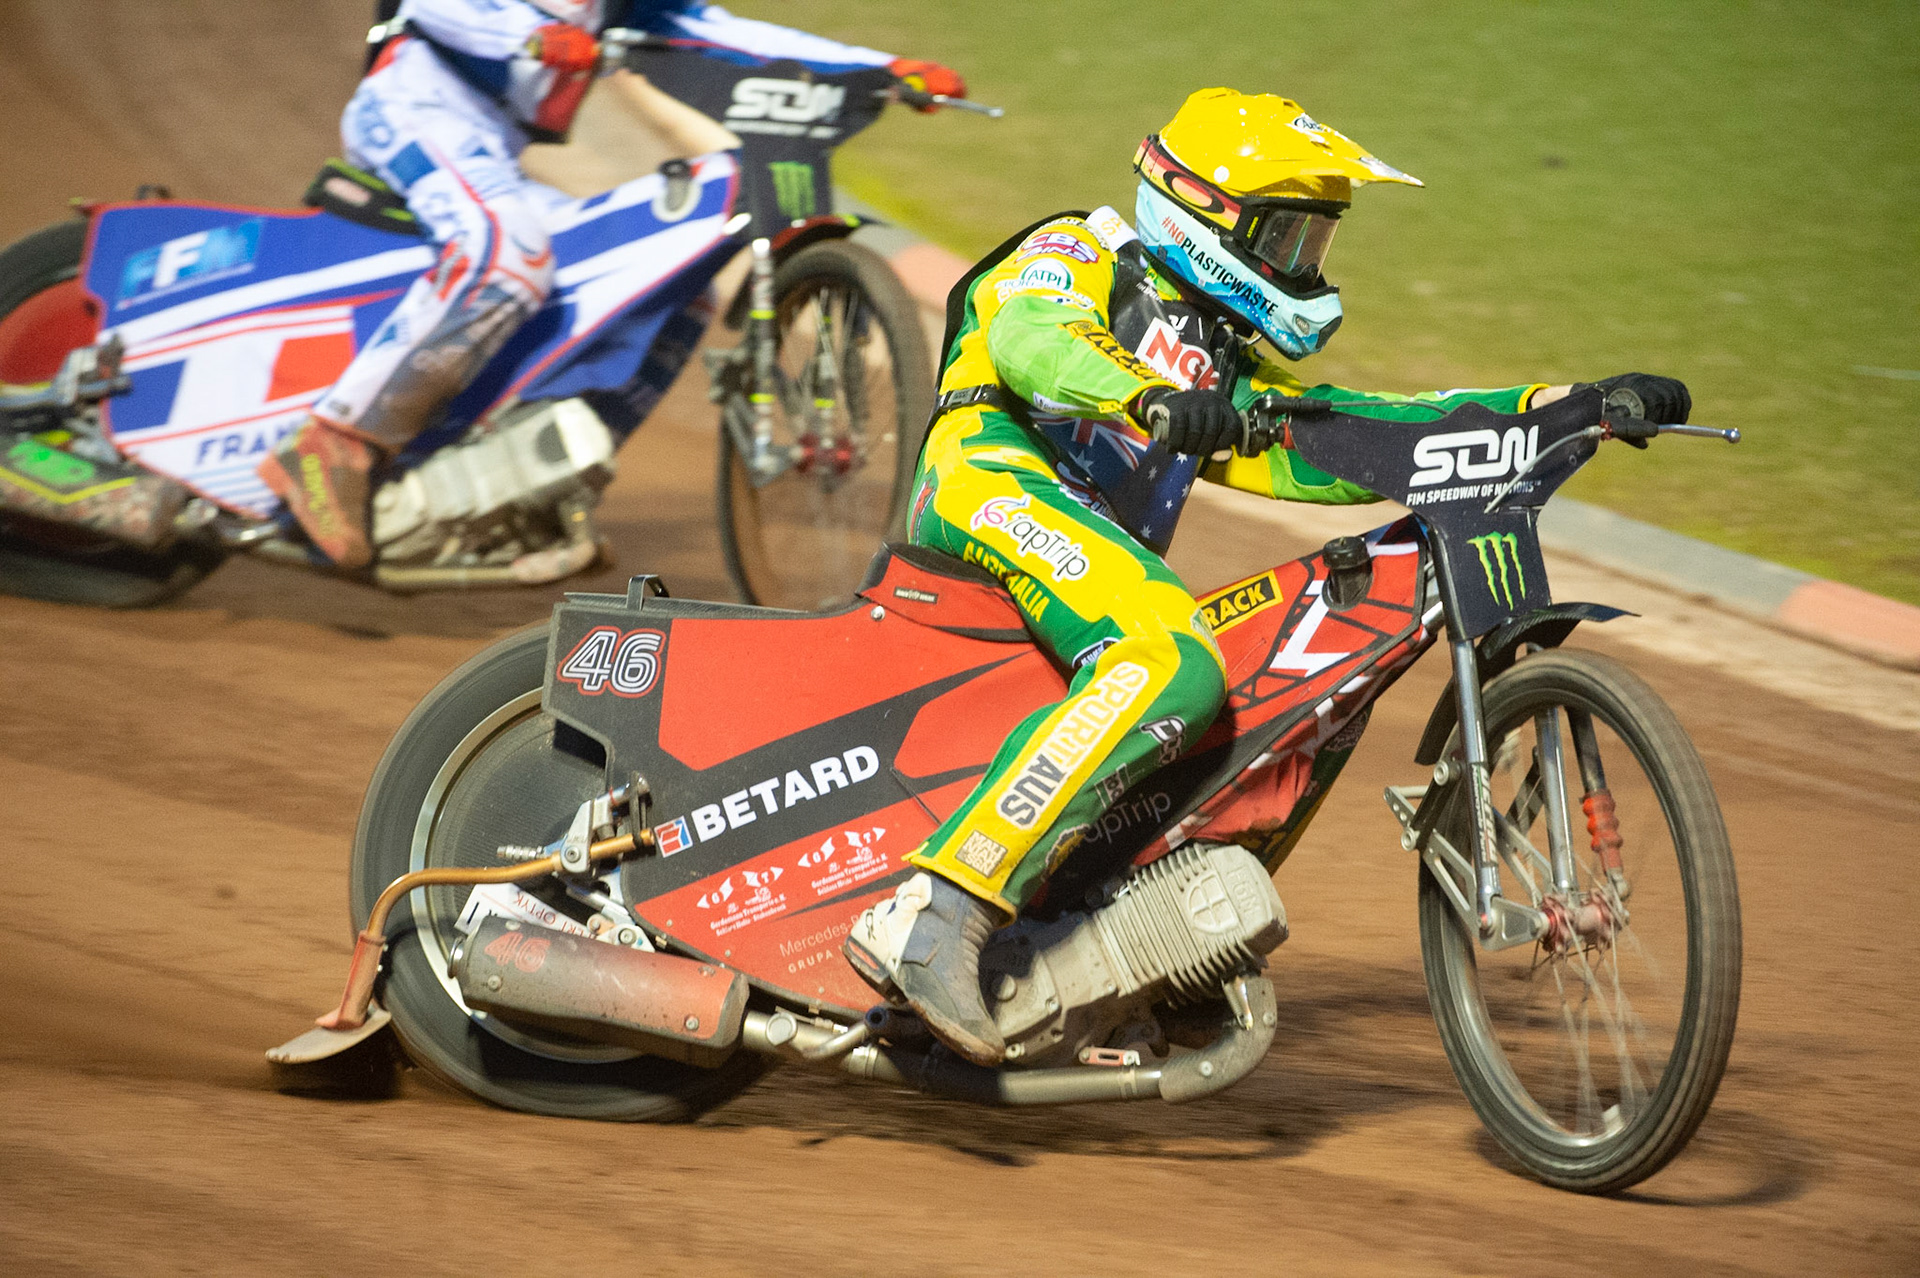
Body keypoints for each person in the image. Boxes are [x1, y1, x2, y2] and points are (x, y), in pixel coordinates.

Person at [842, 87, 1690, 1065]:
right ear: (1203, 213)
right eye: (1286, 237)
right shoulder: (1083, 248)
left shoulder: (1218, 360)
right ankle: (937, 912)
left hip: (1074, 554)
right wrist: (1142, 393)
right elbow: (1035, 341)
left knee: (1313, 683)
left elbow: (1349, 431)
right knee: (1173, 658)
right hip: (986, 485)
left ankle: (1160, 950)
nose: (1303, 266)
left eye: (1314, 245)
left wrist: (1563, 407)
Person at [259, 0, 964, 568]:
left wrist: (884, 69)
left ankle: (527, 482)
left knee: (674, 289)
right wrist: (535, 32)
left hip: (496, 144)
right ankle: (336, 440)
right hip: (414, 102)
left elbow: (716, 33)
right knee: (508, 254)